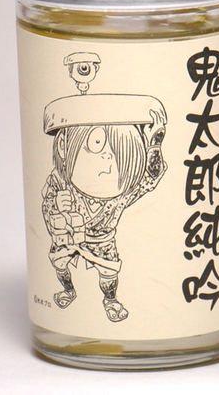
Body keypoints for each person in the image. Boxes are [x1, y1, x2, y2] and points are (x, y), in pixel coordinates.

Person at [41, 110, 166, 322]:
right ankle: (68, 289)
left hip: (102, 241)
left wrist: (155, 143)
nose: (108, 159)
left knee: (109, 272)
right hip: (67, 236)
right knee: (59, 263)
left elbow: (151, 177)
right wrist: (56, 206)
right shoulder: (60, 183)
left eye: (122, 152)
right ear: (63, 146)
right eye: (96, 144)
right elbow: (47, 207)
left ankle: (110, 300)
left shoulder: (122, 195)